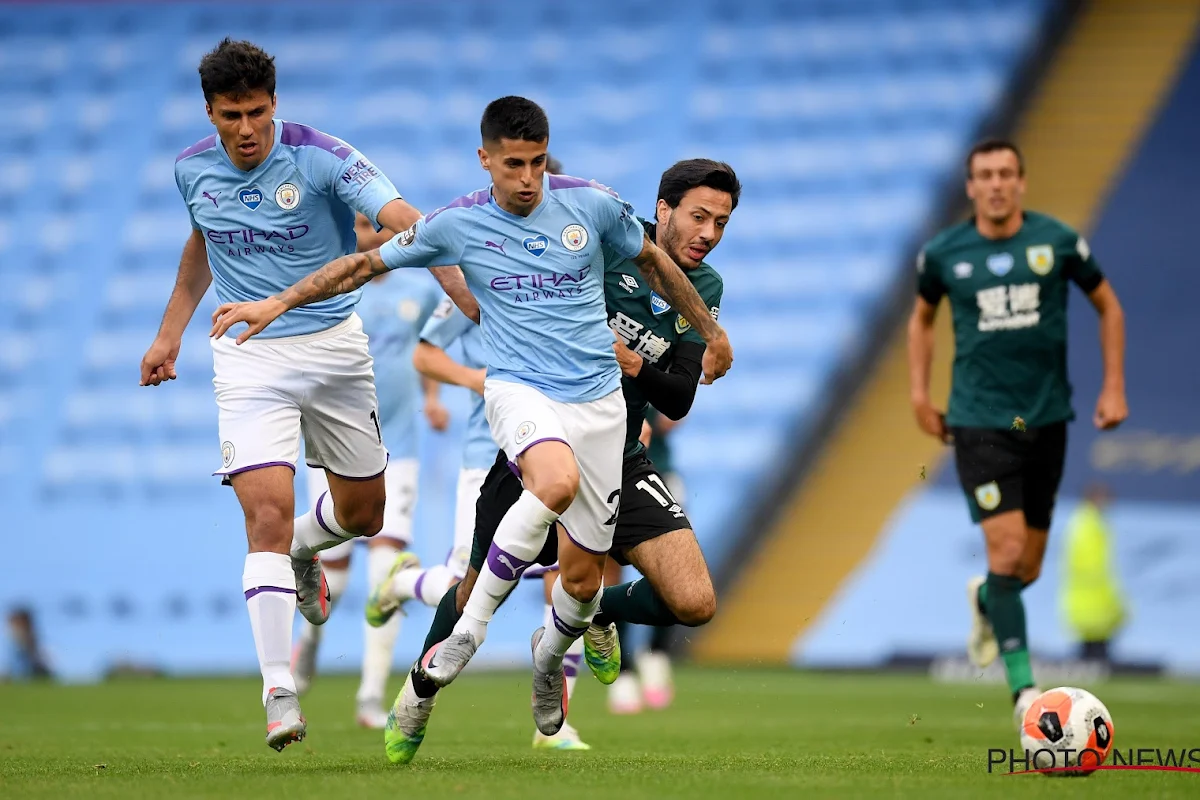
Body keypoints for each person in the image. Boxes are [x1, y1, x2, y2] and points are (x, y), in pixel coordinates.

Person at [207, 98, 734, 752]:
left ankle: (550, 662)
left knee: (588, 585)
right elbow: (366, 267)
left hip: (607, 427)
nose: (528, 178)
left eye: (538, 163)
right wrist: (281, 299)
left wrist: (710, 333)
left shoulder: (597, 213)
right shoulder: (462, 228)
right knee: (534, 504)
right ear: (486, 160)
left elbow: (662, 295)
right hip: (522, 413)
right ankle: (423, 688)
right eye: (514, 164)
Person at [139, 38, 469, 751]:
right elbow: (202, 244)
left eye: (258, 112)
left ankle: (304, 550)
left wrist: (458, 287)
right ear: (210, 112)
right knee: (263, 513)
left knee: (363, 512)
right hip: (246, 355)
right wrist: (169, 335)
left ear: (275, 106)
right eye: (232, 115)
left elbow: (407, 221)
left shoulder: (322, 156)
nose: (247, 128)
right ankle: (279, 690)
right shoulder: (190, 168)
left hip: (334, 349)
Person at [370, 157, 737, 763]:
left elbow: (680, 395)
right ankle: (416, 696)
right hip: (543, 448)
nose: (709, 233)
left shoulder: (706, 288)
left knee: (694, 602)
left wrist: (635, 363)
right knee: (473, 590)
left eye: (721, 223)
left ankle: (590, 613)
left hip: (619, 457)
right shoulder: (603, 243)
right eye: (699, 217)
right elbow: (485, 305)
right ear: (663, 210)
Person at [907, 138, 1127, 727]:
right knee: (1004, 552)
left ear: (1021, 182)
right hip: (979, 421)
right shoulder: (945, 254)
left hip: (1047, 419)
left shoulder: (1056, 242)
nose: (997, 183)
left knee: (1022, 570)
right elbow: (922, 319)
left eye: (1007, 173)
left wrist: (1113, 387)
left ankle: (986, 600)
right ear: (972, 186)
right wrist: (920, 393)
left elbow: (1109, 307)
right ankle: (1025, 694)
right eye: (986, 175)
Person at [291, 257, 444, 728]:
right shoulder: (327, 292)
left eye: (376, 225)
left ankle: (371, 696)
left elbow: (428, 349)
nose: (371, 234)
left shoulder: (420, 292)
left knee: (385, 572)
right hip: (336, 447)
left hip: (399, 449)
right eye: (360, 224)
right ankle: (308, 649)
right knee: (332, 579)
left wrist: (434, 398)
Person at [608, 407, 683, 714]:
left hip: (656, 470)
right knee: (608, 575)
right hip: (609, 473)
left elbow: (672, 417)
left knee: (672, 572)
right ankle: (623, 671)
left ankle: (656, 654)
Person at [1061, 484, 1126, 663]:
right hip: (1094, 603)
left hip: (1086, 602)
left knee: (1090, 654)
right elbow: (1097, 570)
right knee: (1095, 657)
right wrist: (1114, 602)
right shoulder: (1090, 525)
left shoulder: (1083, 522)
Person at [5, 608, 53, 681]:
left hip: (28, 670)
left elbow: (35, 656)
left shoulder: (29, 638)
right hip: (19, 671)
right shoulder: (14, 642)